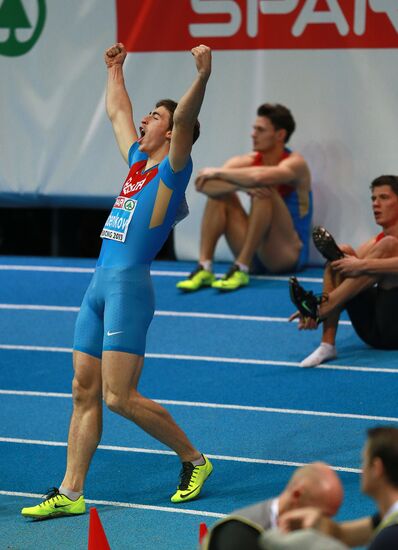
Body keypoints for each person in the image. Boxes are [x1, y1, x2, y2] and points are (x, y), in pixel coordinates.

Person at [20, 42, 213, 520]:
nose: (145, 119)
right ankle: (71, 490)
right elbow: (116, 111)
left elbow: (186, 119)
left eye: (156, 116)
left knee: (118, 396)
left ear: (170, 133)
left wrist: (201, 78)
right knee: (83, 389)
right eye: (148, 114)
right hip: (97, 287)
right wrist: (115, 69)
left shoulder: (173, 170)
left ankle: (195, 459)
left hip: (129, 289)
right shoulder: (135, 164)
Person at [176, 103, 312, 292]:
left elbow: (259, 177)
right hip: (256, 252)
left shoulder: (295, 164)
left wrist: (219, 172)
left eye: (260, 130)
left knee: (263, 189)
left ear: (280, 135)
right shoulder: (245, 161)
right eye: (254, 129)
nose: (253, 134)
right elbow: (203, 184)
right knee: (219, 194)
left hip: (286, 254)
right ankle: (205, 266)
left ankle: (240, 266)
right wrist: (239, 186)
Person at [289, 175, 398, 367]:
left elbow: (362, 267)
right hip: (374, 331)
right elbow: (351, 270)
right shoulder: (378, 240)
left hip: (394, 331)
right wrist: (351, 263)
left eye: (384, 198)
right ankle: (327, 345)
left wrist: (361, 265)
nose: (376, 204)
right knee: (341, 256)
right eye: (373, 199)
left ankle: (321, 309)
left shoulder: (386, 243)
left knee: (387, 247)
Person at [279, 426, 398, 549]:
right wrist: (318, 522)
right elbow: (343, 534)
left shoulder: (389, 538)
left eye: (364, 461)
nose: (361, 470)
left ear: (377, 468)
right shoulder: (389, 520)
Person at [201, 462, 343, 549]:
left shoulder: (307, 530)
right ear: (296, 495)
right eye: (322, 514)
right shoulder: (238, 536)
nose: (324, 521)